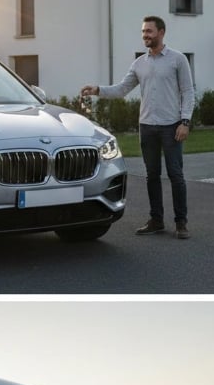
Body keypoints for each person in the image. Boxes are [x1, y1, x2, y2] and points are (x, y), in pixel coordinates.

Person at [82, 16, 196, 238]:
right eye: (143, 31)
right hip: (147, 127)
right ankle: (156, 220)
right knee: (152, 175)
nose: (145, 35)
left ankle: (181, 222)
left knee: (175, 174)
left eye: (149, 31)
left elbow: (188, 92)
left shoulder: (178, 60)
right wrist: (96, 90)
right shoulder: (139, 64)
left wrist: (185, 121)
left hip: (171, 126)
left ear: (161, 32)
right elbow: (122, 89)